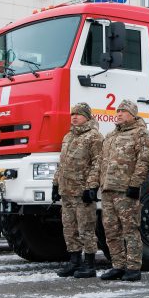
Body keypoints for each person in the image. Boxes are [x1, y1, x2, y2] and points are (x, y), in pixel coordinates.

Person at [95, 99, 149, 282]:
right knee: (111, 231)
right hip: (107, 190)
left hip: (126, 190)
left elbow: (144, 161)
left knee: (130, 229)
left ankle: (134, 267)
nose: (118, 114)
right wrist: (98, 184)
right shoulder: (110, 136)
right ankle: (118, 266)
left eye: (123, 111)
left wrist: (135, 185)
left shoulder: (141, 133)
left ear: (132, 114)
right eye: (117, 111)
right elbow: (101, 162)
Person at [53, 103, 104, 278]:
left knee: (86, 228)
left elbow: (98, 163)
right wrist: (55, 184)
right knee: (69, 228)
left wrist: (91, 186)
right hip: (66, 190)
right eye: (72, 114)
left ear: (87, 117)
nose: (74, 117)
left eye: (79, 114)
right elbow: (62, 163)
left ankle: (89, 264)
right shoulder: (68, 136)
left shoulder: (94, 136)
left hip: (82, 192)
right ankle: (74, 261)